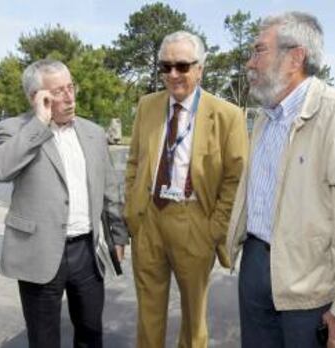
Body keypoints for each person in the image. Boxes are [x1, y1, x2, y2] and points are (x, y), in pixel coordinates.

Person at [226, 11, 335, 348]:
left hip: (311, 286)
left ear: (294, 57)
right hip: (255, 265)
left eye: (258, 51)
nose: (249, 63)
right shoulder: (265, 119)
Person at [0, 59, 128, 348]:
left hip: (87, 252)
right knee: (44, 339)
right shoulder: (14, 129)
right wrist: (40, 122)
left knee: (91, 333)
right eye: (59, 91)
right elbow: (0, 170)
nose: (70, 96)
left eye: (71, 87)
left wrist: (118, 232)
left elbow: (109, 188)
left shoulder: (92, 132)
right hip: (38, 252)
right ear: (37, 98)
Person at [124, 31, 248, 348]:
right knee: (148, 312)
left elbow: (237, 177)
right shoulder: (147, 105)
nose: (173, 75)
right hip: (149, 218)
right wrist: (132, 210)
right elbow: (135, 162)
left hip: (194, 221)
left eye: (181, 66)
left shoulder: (227, 115)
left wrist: (215, 227)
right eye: (165, 67)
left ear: (200, 69)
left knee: (194, 319)